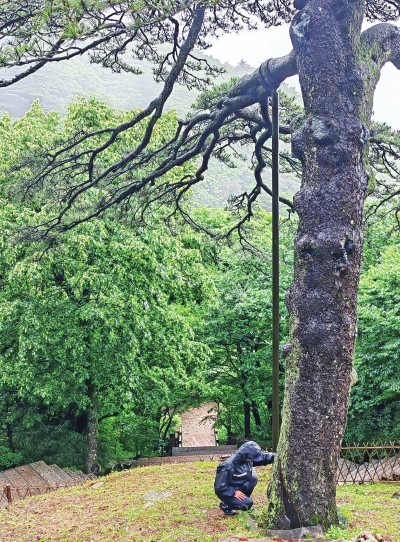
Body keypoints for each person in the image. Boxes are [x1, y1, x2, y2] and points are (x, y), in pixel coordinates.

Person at [214, 440, 275, 516]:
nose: (254, 460)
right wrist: (233, 492)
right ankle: (226, 505)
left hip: (239, 485)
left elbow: (263, 458)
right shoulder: (228, 466)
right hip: (227, 492)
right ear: (246, 456)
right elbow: (219, 487)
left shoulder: (247, 459)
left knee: (253, 479)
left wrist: (275, 456)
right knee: (247, 504)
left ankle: (241, 499)